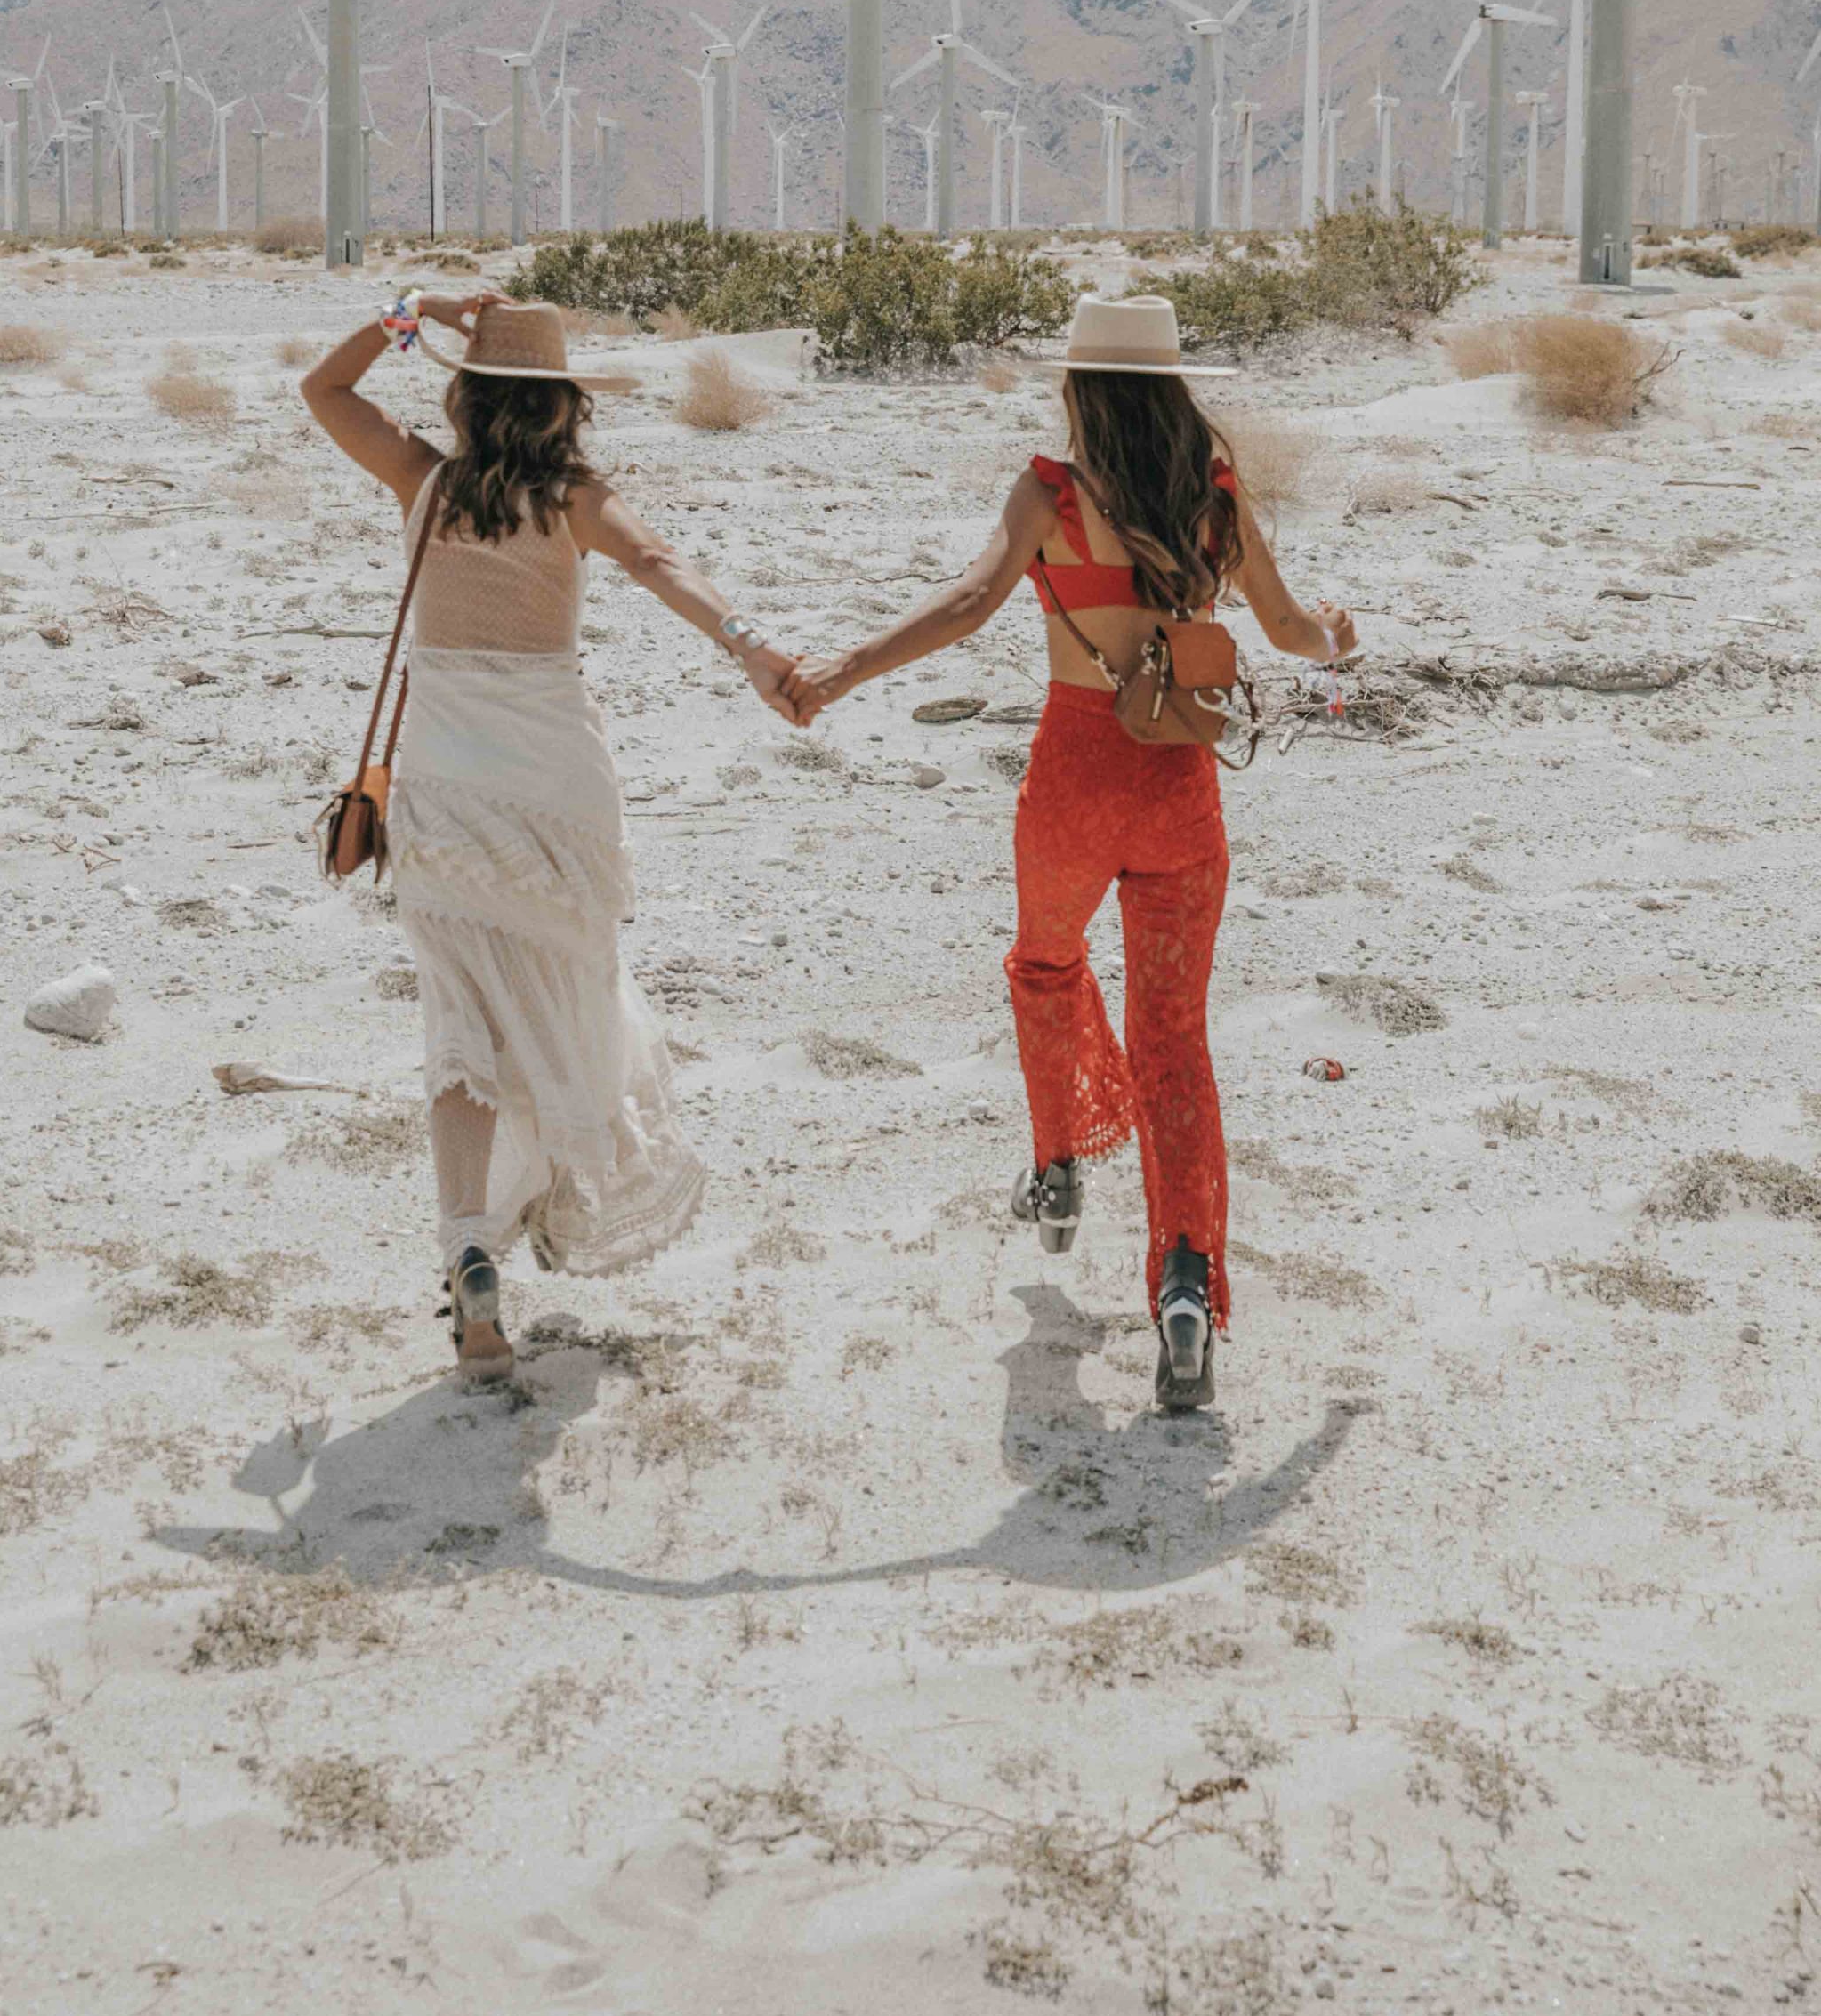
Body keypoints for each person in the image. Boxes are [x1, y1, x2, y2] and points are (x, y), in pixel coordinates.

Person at [786, 294, 1355, 1412]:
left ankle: (1055, 1170)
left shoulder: (1051, 492)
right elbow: (1289, 631)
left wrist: (839, 673)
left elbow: (965, 603)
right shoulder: (1215, 500)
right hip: (1179, 789)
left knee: (1045, 964)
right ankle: (1184, 1281)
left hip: (1074, 778)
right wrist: (1337, 634)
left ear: (1080, 390)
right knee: (1174, 1040)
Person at [301, 289, 800, 1382]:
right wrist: (752, 648)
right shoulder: (574, 498)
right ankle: (533, 1201)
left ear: (467, 398)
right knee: (567, 991)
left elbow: (320, 389)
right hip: (556, 788)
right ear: (563, 406)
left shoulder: (420, 479)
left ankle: (468, 1248)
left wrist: (402, 313)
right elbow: (661, 564)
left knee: (459, 1027)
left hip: (445, 785)